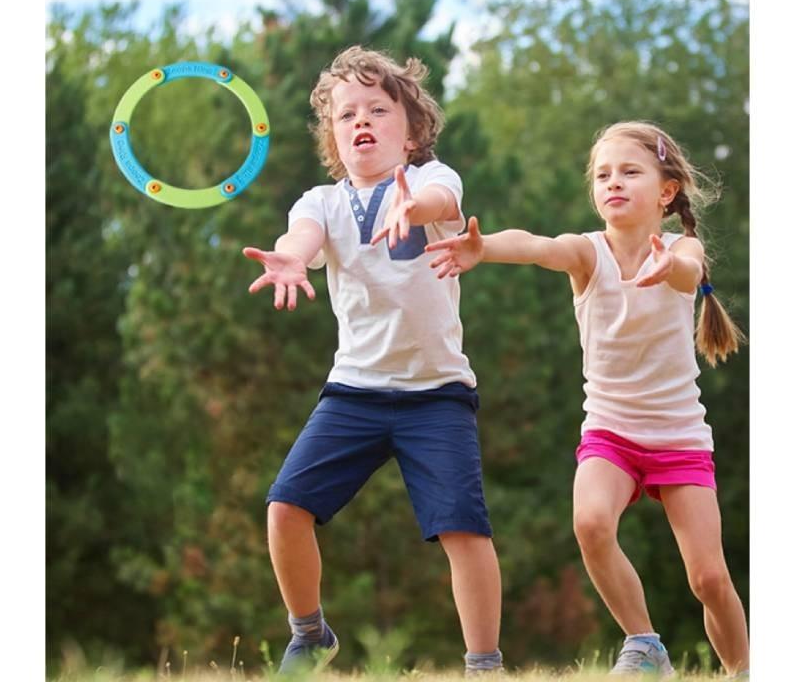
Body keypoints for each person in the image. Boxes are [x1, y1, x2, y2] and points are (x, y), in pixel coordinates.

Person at [425, 122, 749, 678]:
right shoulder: (587, 252)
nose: (613, 183)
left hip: (678, 436)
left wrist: (670, 268)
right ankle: (644, 643)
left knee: (709, 579)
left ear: (666, 192)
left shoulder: (680, 247)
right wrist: (485, 248)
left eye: (629, 172)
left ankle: (742, 668)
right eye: (602, 175)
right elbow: (535, 245)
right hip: (610, 432)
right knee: (591, 524)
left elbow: (690, 270)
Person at [242, 46, 503, 675]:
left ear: (410, 131)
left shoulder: (435, 180)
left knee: (463, 531)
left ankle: (484, 663)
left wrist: (413, 207)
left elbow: (442, 202)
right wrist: (292, 258)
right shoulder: (321, 203)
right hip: (354, 392)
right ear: (333, 136)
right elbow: (299, 237)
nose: (361, 121)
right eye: (346, 114)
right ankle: (310, 635)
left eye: (378, 110)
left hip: (436, 393)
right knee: (285, 510)